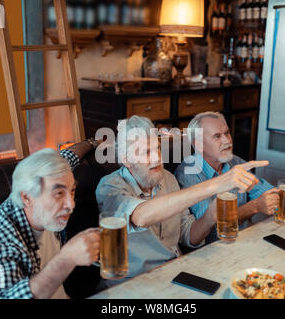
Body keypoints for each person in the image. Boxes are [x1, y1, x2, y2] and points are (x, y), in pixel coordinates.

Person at [95, 115, 268, 287]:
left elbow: (189, 236)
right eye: (147, 152)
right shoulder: (110, 186)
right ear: (127, 160)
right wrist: (216, 184)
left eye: (158, 149)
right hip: (131, 283)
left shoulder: (168, 179)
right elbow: (141, 216)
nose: (157, 158)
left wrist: (210, 216)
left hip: (175, 273)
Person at [0, 139, 101, 299]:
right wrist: (67, 257)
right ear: (26, 197)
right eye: (58, 193)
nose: (71, 205)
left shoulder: (52, 179)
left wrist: (92, 143)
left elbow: (67, 157)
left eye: (72, 191)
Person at [175, 112, 285, 243]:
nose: (227, 140)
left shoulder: (235, 162)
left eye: (227, 133)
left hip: (247, 238)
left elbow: (266, 195)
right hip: (217, 248)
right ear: (199, 144)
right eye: (217, 136)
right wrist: (254, 207)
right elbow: (211, 228)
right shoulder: (189, 173)